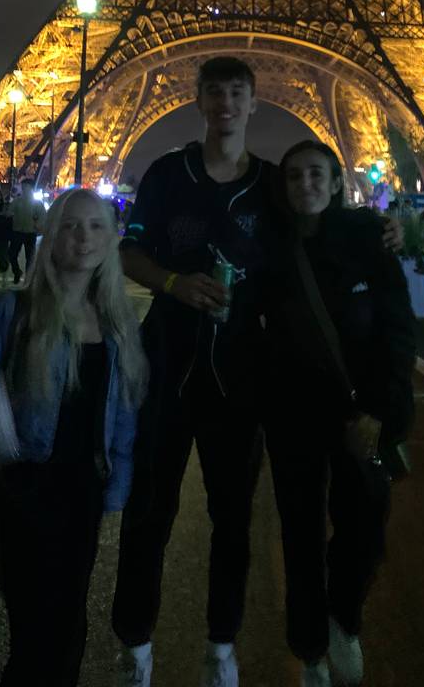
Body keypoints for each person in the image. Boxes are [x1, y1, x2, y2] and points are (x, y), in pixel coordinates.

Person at [113, 56, 403, 687]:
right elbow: (128, 250)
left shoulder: (273, 185)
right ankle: (135, 644)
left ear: (252, 102)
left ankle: (222, 644)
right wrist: (170, 282)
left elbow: (320, 224)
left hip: (238, 379)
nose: (225, 103)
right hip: (167, 368)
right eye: (214, 91)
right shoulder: (167, 174)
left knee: (233, 521)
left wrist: (381, 228)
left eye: (236, 93)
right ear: (199, 101)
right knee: (148, 512)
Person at [0, 188, 147, 687]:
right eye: (69, 225)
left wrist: (117, 485)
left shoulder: (117, 324)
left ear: (111, 240)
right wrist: (10, 463)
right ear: (50, 237)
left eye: (94, 227)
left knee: (69, 625)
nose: (82, 237)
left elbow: (124, 410)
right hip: (25, 492)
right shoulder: (12, 311)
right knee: (36, 630)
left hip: (82, 492)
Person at [262, 141, 416, 687]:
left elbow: (398, 329)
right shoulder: (268, 244)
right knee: (300, 534)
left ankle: (343, 618)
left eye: (316, 174)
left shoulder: (369, 239)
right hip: (293, 413)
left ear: (334, 183)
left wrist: (382, 411)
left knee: (364, 528)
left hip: (359, 414)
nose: (305, 183)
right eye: (295, 174)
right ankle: (309, 650)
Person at [9, 178, 45, 284]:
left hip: (30, 232)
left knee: (29, 257)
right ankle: (17, 272)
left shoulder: (37, 203)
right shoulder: (17, 201)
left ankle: (28, 278)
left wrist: (37, 225)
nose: (24, 188)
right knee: (12, 254)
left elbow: (42, 217)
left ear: (31, 188)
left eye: (26, 186)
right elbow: (9, 211)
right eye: (23, 186)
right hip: (17, 231)